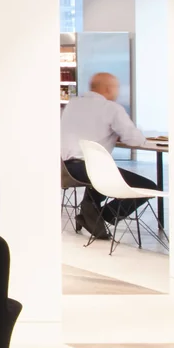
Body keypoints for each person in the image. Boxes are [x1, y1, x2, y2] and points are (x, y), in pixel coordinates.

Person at [60, 72, 156, 240]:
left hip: (64, 168)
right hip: (89, 169)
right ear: (107, 89)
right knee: (149, 187)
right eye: (116, 88)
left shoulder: (73, 104)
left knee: (103, 171)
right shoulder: (111, 109)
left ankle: (91, 213)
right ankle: (101, 216)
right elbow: (135, 139)